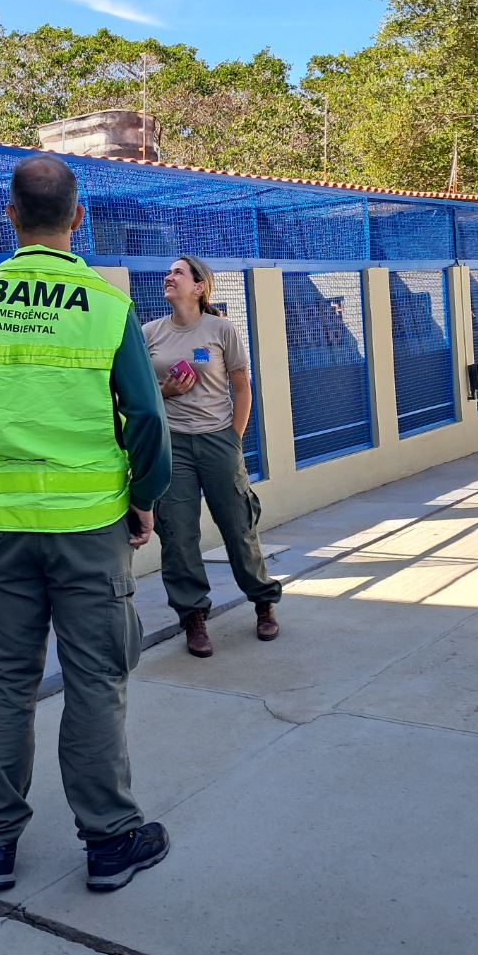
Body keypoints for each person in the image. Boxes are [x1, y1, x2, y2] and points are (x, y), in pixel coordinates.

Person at [0, 154, 172, 894]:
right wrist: (145, 496)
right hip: (89, 525)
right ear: (77, 217)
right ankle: (109, 841)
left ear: (9, 217)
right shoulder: (105, 306)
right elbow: (147, 418)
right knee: (96, 678)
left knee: (3, 681)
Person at [144, 255, 282, 658]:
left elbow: (242, 387)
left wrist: (233, 440)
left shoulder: (221, 328)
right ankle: (194, 618)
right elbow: (137, 393)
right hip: (173, 445)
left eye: (178, 273)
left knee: (238, 524)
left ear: (200, 286)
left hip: (218, 440)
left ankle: (262, 601)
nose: (169, 277)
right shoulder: (149, 332)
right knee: (177, 535)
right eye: (168, 273)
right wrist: (165, 393)